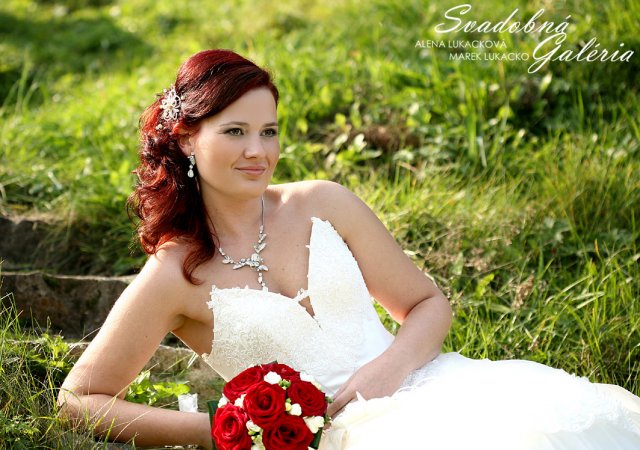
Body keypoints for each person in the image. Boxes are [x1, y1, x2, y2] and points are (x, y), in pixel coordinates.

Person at [58, 49, 640, 449]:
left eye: (269, 131)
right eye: (235, 132)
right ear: (187, 139)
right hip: (334, 439)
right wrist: (223, 427)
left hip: (437, 386)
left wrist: (388, 369)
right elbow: (79, 401)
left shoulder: (322, 202)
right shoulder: (174, 274)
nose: (259, 151)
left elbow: (427, 304)